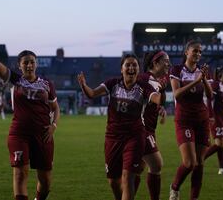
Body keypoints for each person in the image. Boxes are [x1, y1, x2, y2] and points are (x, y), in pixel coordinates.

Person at [0, 22, 60, 200]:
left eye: (32, 62)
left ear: (36, 64)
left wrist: (54, 126)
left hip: (43, 135)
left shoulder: (48, 84)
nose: (29, 65)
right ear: (19, 65)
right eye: (25, 63)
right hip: (19, 134)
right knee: (20, 174)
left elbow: (55, 109)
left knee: (46, 181)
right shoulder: (16, 80)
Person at [77, 54, 162, 200]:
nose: (131, 68)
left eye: (134, 65)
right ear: (121, 69)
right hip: (113, 138)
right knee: (113, 182)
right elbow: (92, 94)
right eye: (127, 65)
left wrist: (160, 98)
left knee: (127, 176)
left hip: (134, 137)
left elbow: (155, 96)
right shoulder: (112, 84)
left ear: (138, 69)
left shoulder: (143, 87)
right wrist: (84, 86)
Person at [168, 40, 213, 200]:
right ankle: (174, 187)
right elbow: (177, 94)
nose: (198, 54)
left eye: (200, 52)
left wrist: (205, 79)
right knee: (189, 163)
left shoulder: (202, 71)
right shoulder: (177, 69)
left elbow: (210, 95)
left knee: (200, 163)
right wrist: (196, 80)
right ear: (186, 52)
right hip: (184, 119)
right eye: (195, 51)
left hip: (202, 119)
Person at [134, 50, 171, 200]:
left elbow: (149, 101)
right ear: (155, 63)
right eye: (165, 61)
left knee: (138, 169)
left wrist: (159, 108)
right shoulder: (146, 79)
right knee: (156, 165)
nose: (168, 64)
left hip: (148, 129)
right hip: (141, 130)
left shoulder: (154, 81)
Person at [204, 66, 223, 175]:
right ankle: (199, 160)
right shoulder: (215, 85)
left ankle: (222, 168)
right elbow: (209, 100)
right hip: (217, 118)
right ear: (222, 74)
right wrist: (211, 116)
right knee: (219, 143)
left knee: (222, 143)